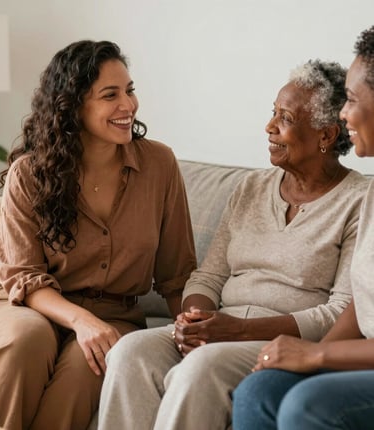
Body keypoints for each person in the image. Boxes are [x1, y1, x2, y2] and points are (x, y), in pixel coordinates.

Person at [97, 59, 369, 430]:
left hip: (273, 337)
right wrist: (193, 319)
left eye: (285, 118)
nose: (269, 127)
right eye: (272, 113)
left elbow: (340, 312)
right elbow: (208, 275)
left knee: (200, 368)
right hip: (218, 327)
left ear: (325, 135)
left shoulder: (358, 200)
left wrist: (235, 331)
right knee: (130, 351)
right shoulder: (251, 188)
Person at [0, 40, 196, 430]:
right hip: (31, 308)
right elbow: (23, 277)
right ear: (72, 107)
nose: (129, 105)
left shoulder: (160, 165)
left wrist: (192, 344)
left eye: (130, 90)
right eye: (111, 95)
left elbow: (177, 274)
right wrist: (81, 321)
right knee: (28, 342)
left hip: (114, 315)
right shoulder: (28, 174)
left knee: (84, 370)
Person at [232, 25, 374, 430]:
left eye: (350, 100)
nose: (344, 113)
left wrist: (317, 356)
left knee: (306, 406)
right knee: (259, 390)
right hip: (358, 355)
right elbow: (361, 306)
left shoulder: (357, 197)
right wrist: (303, 357)